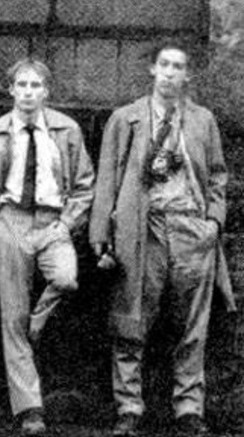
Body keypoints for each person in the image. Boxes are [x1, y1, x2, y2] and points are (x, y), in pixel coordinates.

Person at [90, 43, 234, 437]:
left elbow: (217, 176)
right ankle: (128, 407)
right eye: (164, 65)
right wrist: (101, 234)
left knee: (192, 325)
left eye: (178, 67)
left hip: (191, 230)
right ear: (152, 69)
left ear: (188, 75)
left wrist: (213, 222)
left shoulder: (202, 120)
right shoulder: (126, 119)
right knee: (131, 318)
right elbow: (107, 178)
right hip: (143, 228)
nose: (170, 73)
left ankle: (189, 409)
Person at [0, 59, 94, 435]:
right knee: (13, 318)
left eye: (36, 85)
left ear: (46, 91)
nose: (28, 92)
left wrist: (67, 223)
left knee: (66, 278)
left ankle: (36, 325)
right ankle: (29, 409)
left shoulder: (66, 130)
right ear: (11, 90)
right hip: (11, 221)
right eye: (21, 85)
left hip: (52, 222)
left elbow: (84, 184)